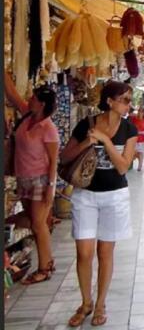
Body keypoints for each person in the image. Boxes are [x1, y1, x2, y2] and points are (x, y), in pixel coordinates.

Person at [60, 81, 138, 327]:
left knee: (105, 253)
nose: (129, 104)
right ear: (110, 101)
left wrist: (105, 141)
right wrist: (88, 142)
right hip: (86, 195)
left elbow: (124, 166)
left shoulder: (129, 129)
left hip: (115, 196)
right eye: (124, 99)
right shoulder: (87, 124)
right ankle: (85, 302)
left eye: (129, 99)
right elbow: (65, 156)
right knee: (83, 253)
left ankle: (101, 303)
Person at [4, 72, 59, 285]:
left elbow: (54, 161)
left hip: (40, 180)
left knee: (37, 224)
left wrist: (50, 189)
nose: (30, 100)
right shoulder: (28, 116)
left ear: (42, 104)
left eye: (34, 98)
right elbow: (12, 95)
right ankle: (46, 261)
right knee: (33, 221)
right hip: (23, 178)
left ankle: (45, 268)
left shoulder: (49, 128)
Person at [130, 107, 144, 171]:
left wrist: (143, 133)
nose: (140, 113)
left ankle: (140, 166)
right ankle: (130, 164)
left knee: (141, 152)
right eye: (139, 111)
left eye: (142, 111)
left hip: (142, 139)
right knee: (133, 152)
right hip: (134, 138)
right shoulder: (134, 118)